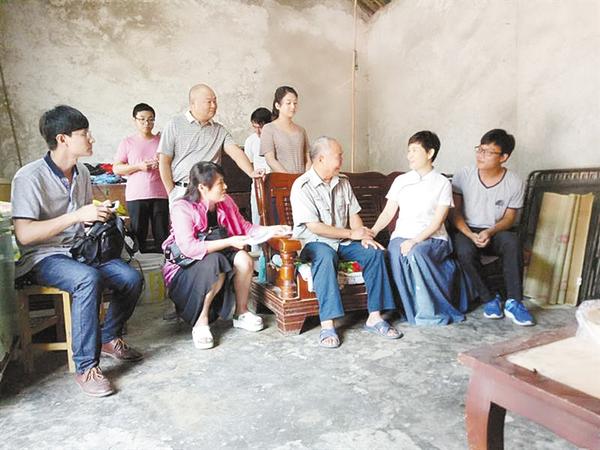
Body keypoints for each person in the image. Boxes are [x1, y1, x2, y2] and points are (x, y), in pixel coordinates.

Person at [11, 105, 143, 398]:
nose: (91, 138)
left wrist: (101, 214)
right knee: (87, 279)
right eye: (84, 133)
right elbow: (25, 234)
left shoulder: (82, 172)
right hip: (43, 256)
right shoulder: (28, 177)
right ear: (63, 139)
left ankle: (108, 337)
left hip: (78, 250)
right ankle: (86, 368)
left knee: (131, 278)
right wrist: (76, 216)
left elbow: (82, 222)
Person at [162, 161, 290, 349]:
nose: (225, 187)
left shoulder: (226, 202)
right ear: (202, 187)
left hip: (218, 258)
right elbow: (189, 248)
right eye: (220, 183)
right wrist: (229, 242)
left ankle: (241, 312)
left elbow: (245, 228)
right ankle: (201, 322)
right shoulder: (182, 208)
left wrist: (271, 230)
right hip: (185, 268)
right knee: (216, 262)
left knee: (244, 260)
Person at [290, 136, 401, 348]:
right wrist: (351, 234)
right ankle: (327, 324)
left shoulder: (342, 181)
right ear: (321, 159)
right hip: (314, 242)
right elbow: (314, 227)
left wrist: (364, 236)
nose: (342, 159)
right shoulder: (302, 186)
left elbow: (353, 214)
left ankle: (375, 317)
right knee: (325, 256)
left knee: (375, 252)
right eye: (338, 156)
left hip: (342, 240)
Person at [371, 131, 469, 326]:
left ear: (430, 153)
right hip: (402, 235)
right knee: (395, 251)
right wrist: (372, 232)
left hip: (433, 238)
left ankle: (431, 312)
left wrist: (415, 240)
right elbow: (388, 212)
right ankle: (410, 311)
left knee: (416, 253)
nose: (410, 155)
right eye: (409, 151)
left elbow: (437, 222)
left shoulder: (442, 183)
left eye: (414, 150)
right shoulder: (401, 181)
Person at [451, 129, 534, 326]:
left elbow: (509, 218)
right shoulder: (464, 175)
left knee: (512, 242)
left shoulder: (514, 182)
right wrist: (470, 234)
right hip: (466, 229)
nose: (481, 155)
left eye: (488, 152)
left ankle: (514, 302)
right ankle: (489, 298)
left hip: (495, 230)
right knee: (464, 251)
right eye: (480, 149)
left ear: (503, 157)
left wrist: (490, 231)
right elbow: (455, 213)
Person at [157, 83, 262, 203]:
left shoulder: (219, 130)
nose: (213, 106)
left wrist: (251, 172)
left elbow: (236, 152)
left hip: (212, 192)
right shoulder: (175, 125)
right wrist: (171, 192)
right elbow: (164, 161)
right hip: (182, 191)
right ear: (193, 103)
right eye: (209, 102)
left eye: (215, 101)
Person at [113, 103, 169, 252]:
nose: (147, 123)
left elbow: (172, 164)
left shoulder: (162, 141)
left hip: (161, 194)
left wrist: (162, 163)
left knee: (163, 236)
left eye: (151, 119)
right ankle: (139, 264)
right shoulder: (127, 142)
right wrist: (139, 166)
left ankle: (166, 265)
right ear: (135, 120)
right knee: (138, 237)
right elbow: (117, 168)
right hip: (137, 195)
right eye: (142, 119)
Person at [260, 86, 310, 174]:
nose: (293, 107)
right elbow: (270, 160)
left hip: (302, 180)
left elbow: (308, 158)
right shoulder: (268, 129)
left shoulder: (301, 130)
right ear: (277, 105)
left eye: (295, 103)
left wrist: (305, 178)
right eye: (288, 103)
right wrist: (289, 178)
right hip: (280, 180)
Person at [243, 107, 272, 228]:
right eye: (255, 127)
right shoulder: (251, 141)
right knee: (257, 219)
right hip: (258, 184)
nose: (258, 131)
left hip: (275, 183)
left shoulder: (277, 138)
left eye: (261, 127)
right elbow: (249, 163)